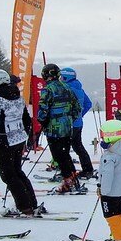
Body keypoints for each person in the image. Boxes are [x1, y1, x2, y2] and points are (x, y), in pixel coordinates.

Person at [0, 69, 43, 217]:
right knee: (17, 172)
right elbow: (26, 119)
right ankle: (31, 203)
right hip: (19, 139)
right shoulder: (18, 96)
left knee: (8, 175)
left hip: (3, 141)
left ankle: (24, 207)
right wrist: (25, 135)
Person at [37, 63, 83, 194]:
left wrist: (43, 121)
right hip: (67, 127)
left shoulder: (48, 90)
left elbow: (43, 109)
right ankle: (72, 178)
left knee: (59, 156)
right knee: (65, 154)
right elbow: (77, 108)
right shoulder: (67, 87)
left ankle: (68, 181)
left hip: (54, 128)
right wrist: (69, 118)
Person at [60, 67, 95, 179]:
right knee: (78, 146)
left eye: (61, 77)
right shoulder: (79, 88)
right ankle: (88, 169)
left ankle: (68, 173)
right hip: (78, 123)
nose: (60, 79)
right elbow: (88, 103)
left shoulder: (66, 89)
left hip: (68, 124)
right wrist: (79, 115)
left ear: (66, 77)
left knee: (63, 148)